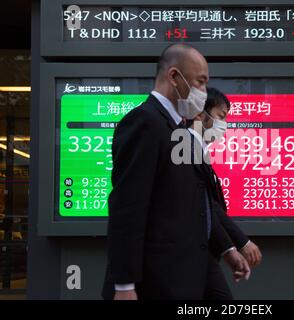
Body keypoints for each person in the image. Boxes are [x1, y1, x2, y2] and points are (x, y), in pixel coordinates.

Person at [102, 44, 250, 300]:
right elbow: (127, 208)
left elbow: (198, 202)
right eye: (200, 82)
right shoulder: (145, 122)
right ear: (173, 76)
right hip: (157, 281)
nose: (203, 93)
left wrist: (226, 250)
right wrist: (124, 286)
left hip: (188, 273)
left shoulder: (178, 130)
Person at [189, 87, 263, 269]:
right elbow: (208, 207)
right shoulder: (187, 151)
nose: (224, 124)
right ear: (200, 114)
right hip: (192, 253)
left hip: (204, 252)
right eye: (220, 116)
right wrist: (237, 244)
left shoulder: (199, 151)